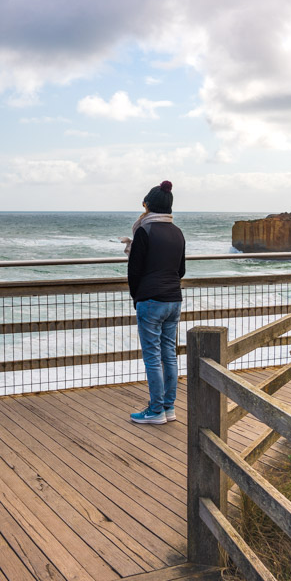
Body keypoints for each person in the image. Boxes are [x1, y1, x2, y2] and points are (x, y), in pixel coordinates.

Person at [126, 181, 186, 425]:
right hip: (174, 299)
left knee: (152, 357)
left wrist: (136, 297)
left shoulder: (144, 231)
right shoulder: (178, 232)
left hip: (150, 300)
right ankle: (168, 408)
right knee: (169, 355)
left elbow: (134, 271)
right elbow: (180, 270)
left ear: (149, 206)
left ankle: (155, 410)